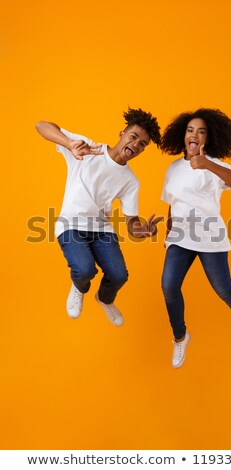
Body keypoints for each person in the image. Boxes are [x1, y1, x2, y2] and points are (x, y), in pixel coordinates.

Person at [36, 108, 162, 326]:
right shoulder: (87, 148)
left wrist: (141, 231)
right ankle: (79, 287)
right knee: (84, 270)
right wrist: (68, 143)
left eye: (142, 144)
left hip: (101, 231)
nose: (136, 145)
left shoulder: (131, 181)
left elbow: (131, 222)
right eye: (134, 137)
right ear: (122, 134)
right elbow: (41, 125)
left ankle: (104, 299)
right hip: (71, 225)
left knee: (119, 275)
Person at [160, 108, 231, 368]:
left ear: (209, 137)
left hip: (209, 235)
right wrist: (169, 231)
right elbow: (172, 202)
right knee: (169, 287)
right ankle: (180, 337)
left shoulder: (214, 163)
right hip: (180, 236)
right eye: (190, 130)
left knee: (224, 289)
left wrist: (207, 163)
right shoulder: (174, 167)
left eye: (201, 131)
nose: (194, 134)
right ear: (183, 135)